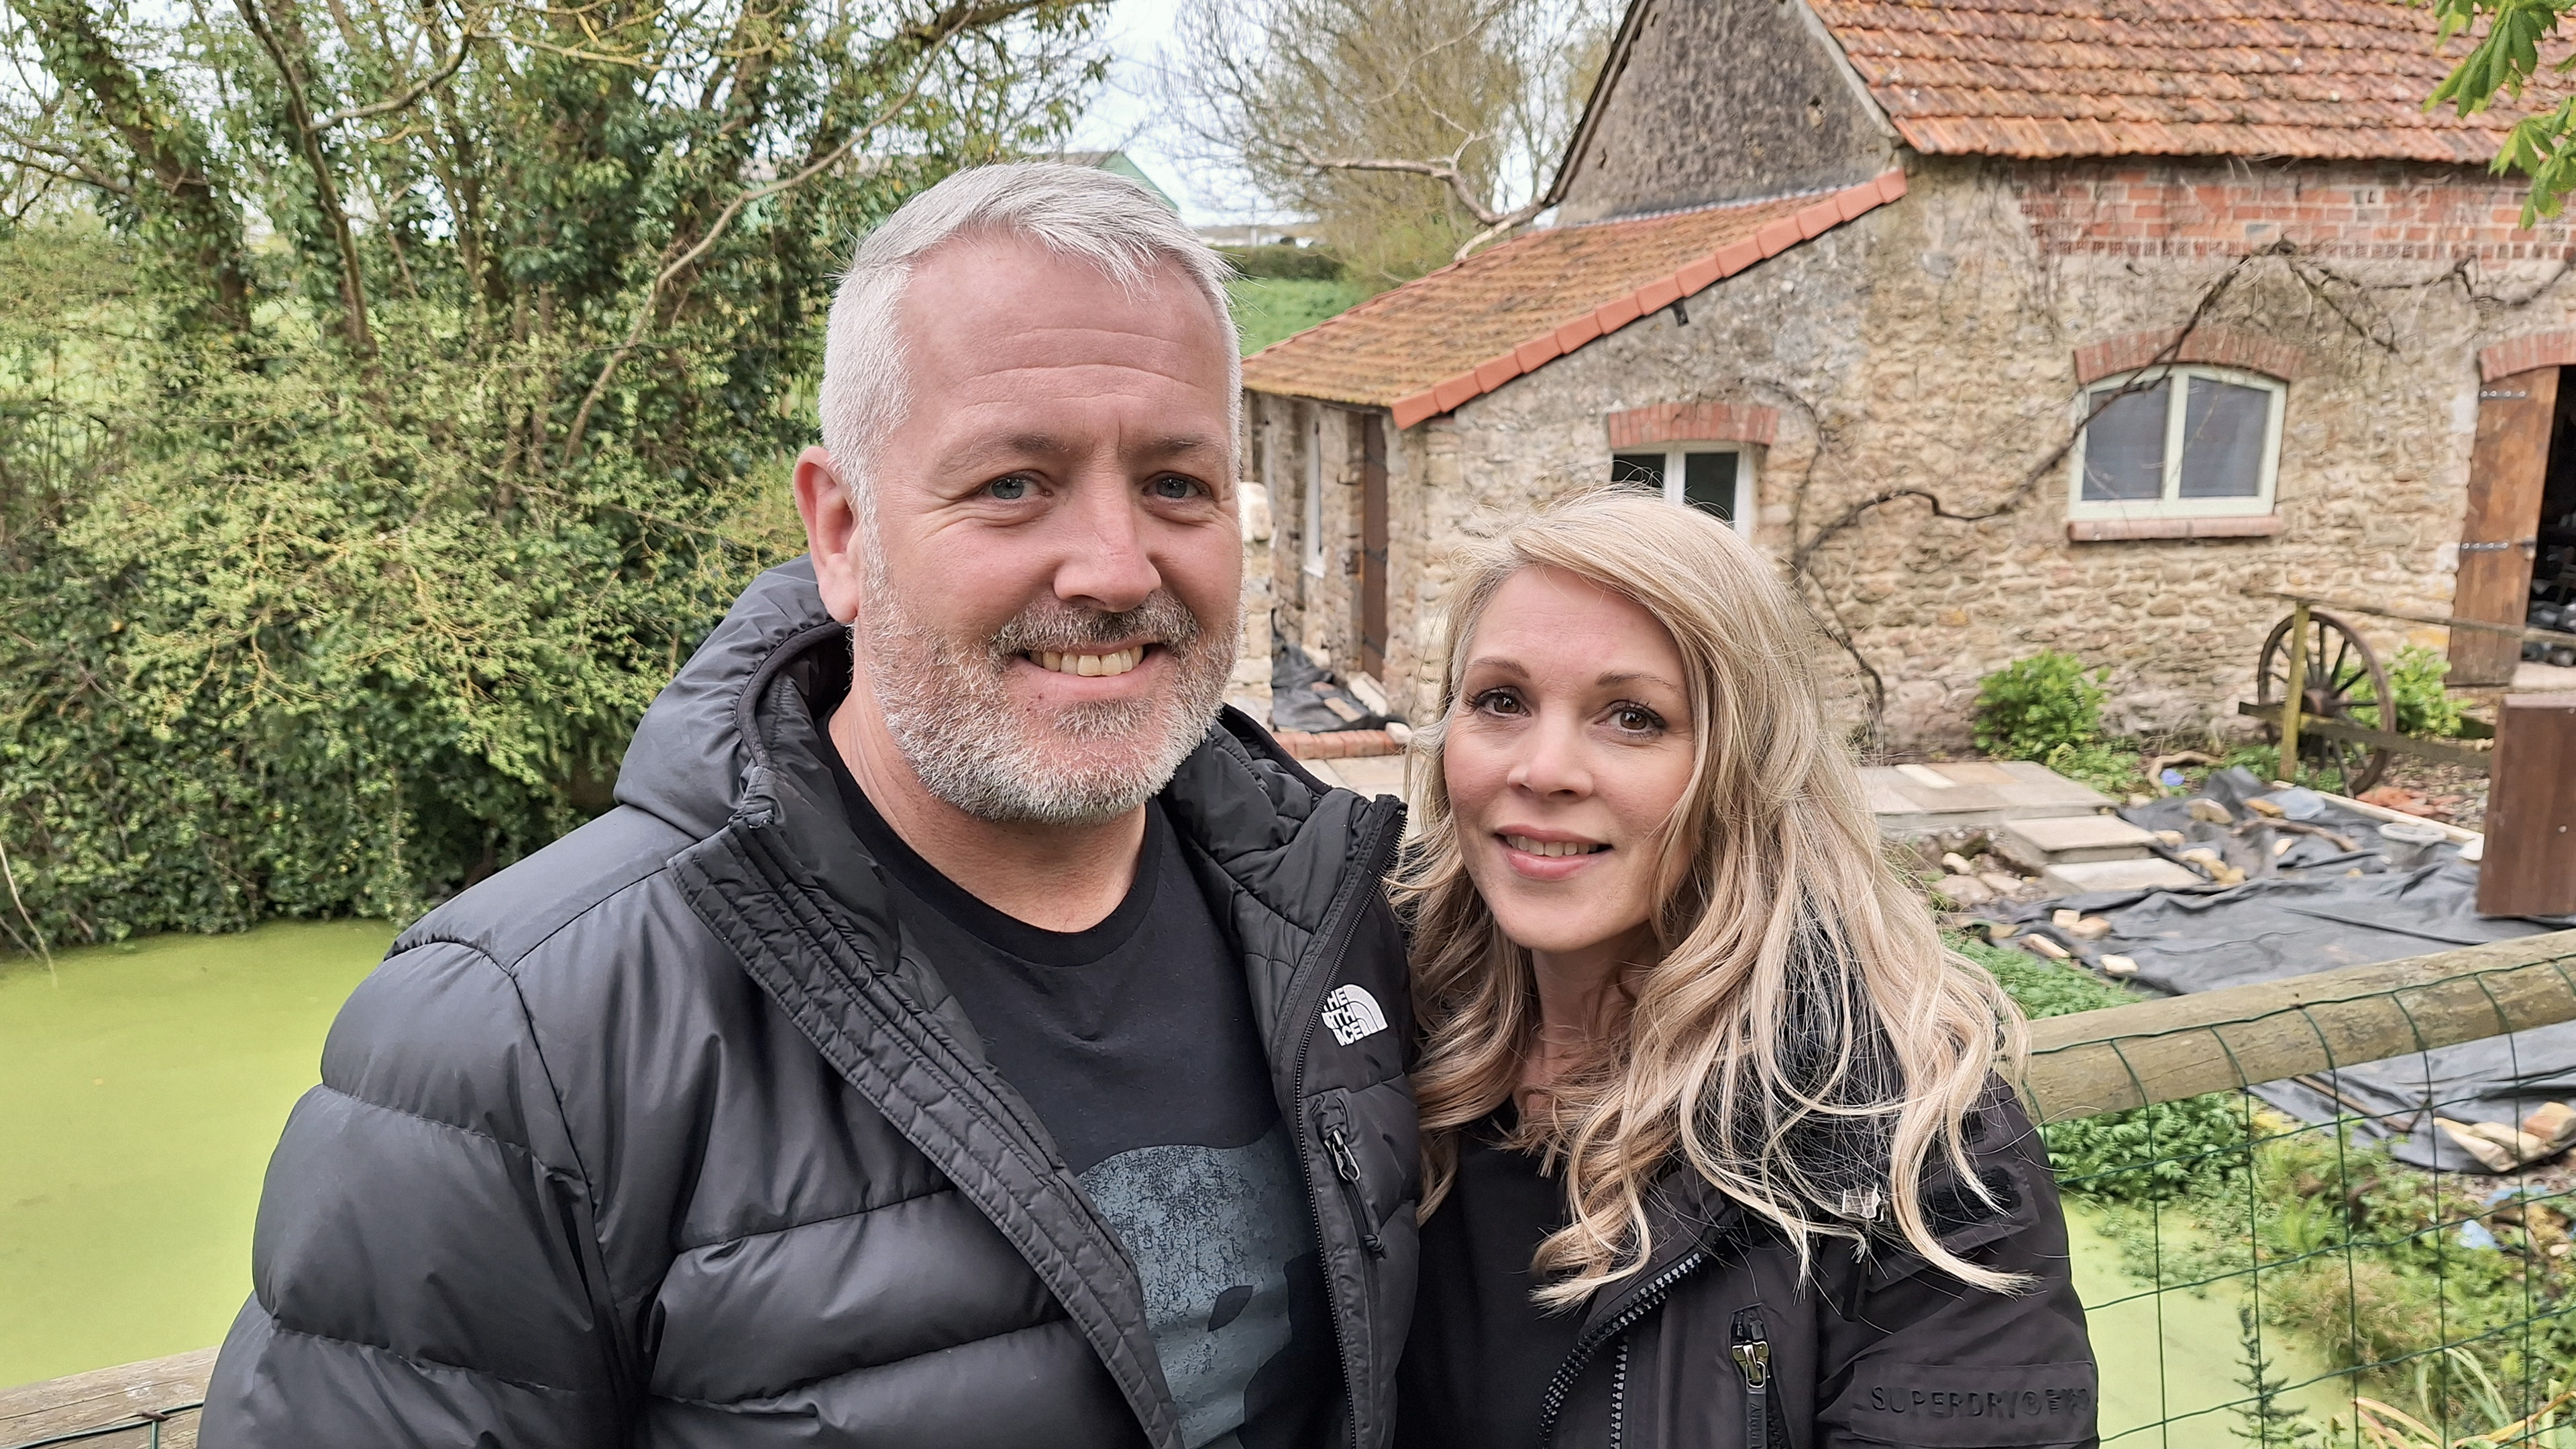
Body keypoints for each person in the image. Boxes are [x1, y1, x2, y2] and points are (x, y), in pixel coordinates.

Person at [204, 162, 1419, 1449]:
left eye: (1177, 485)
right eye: (1013, 484)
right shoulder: (515, 1050)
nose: (1116, 570)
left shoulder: (1350, 921)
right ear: (842, 531)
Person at [1391, 493, 2096, 1449]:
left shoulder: (1904, 1148)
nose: (1545, 768)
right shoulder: (1364, 1024)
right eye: (1501, 701)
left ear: (1748, 764)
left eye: (1633, 717)